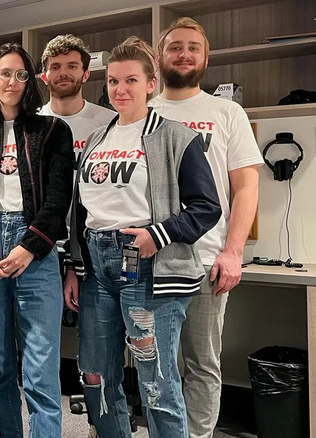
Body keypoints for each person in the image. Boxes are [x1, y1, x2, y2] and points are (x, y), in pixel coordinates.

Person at [68, 37, 221, 438]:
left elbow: (206, 206)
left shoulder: (175, 136)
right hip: (97, 270)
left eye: (131, 80)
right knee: (95, 373)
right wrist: (75, 263)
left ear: (150, 84)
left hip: (148, 266)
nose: (120, 89)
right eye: (114, 81)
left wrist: (159, 234)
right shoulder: (97, 140)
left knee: (156, 379)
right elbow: (83, 210)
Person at [0, 42, 75, 438]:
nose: (12, 81)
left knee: (41, 367)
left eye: (21, 74)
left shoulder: (54, 130)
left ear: (30, 82)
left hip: (35, 249)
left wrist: (30, 244)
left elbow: (59, 198)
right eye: (4, 73)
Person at [150, 17, 262, 438]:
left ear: (205, 57)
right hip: (151, 260)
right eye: (175, 46)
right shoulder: (144, 111)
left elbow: (246, 188)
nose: (184, 54)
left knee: (202, 363)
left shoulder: (226, 112)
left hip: (208, 260)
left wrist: (233, 252)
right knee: (154, 363)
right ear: (160, 57)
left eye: (193, 47)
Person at [38, 34, 116, 332]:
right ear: (45, 76)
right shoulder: (33, 124)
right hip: (45, 245)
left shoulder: (109, 122)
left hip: (95, 244)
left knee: (99, 336)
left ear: (86, 73)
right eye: (55, 66)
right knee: (41, 335)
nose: (63, 73)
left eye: (72, 66)